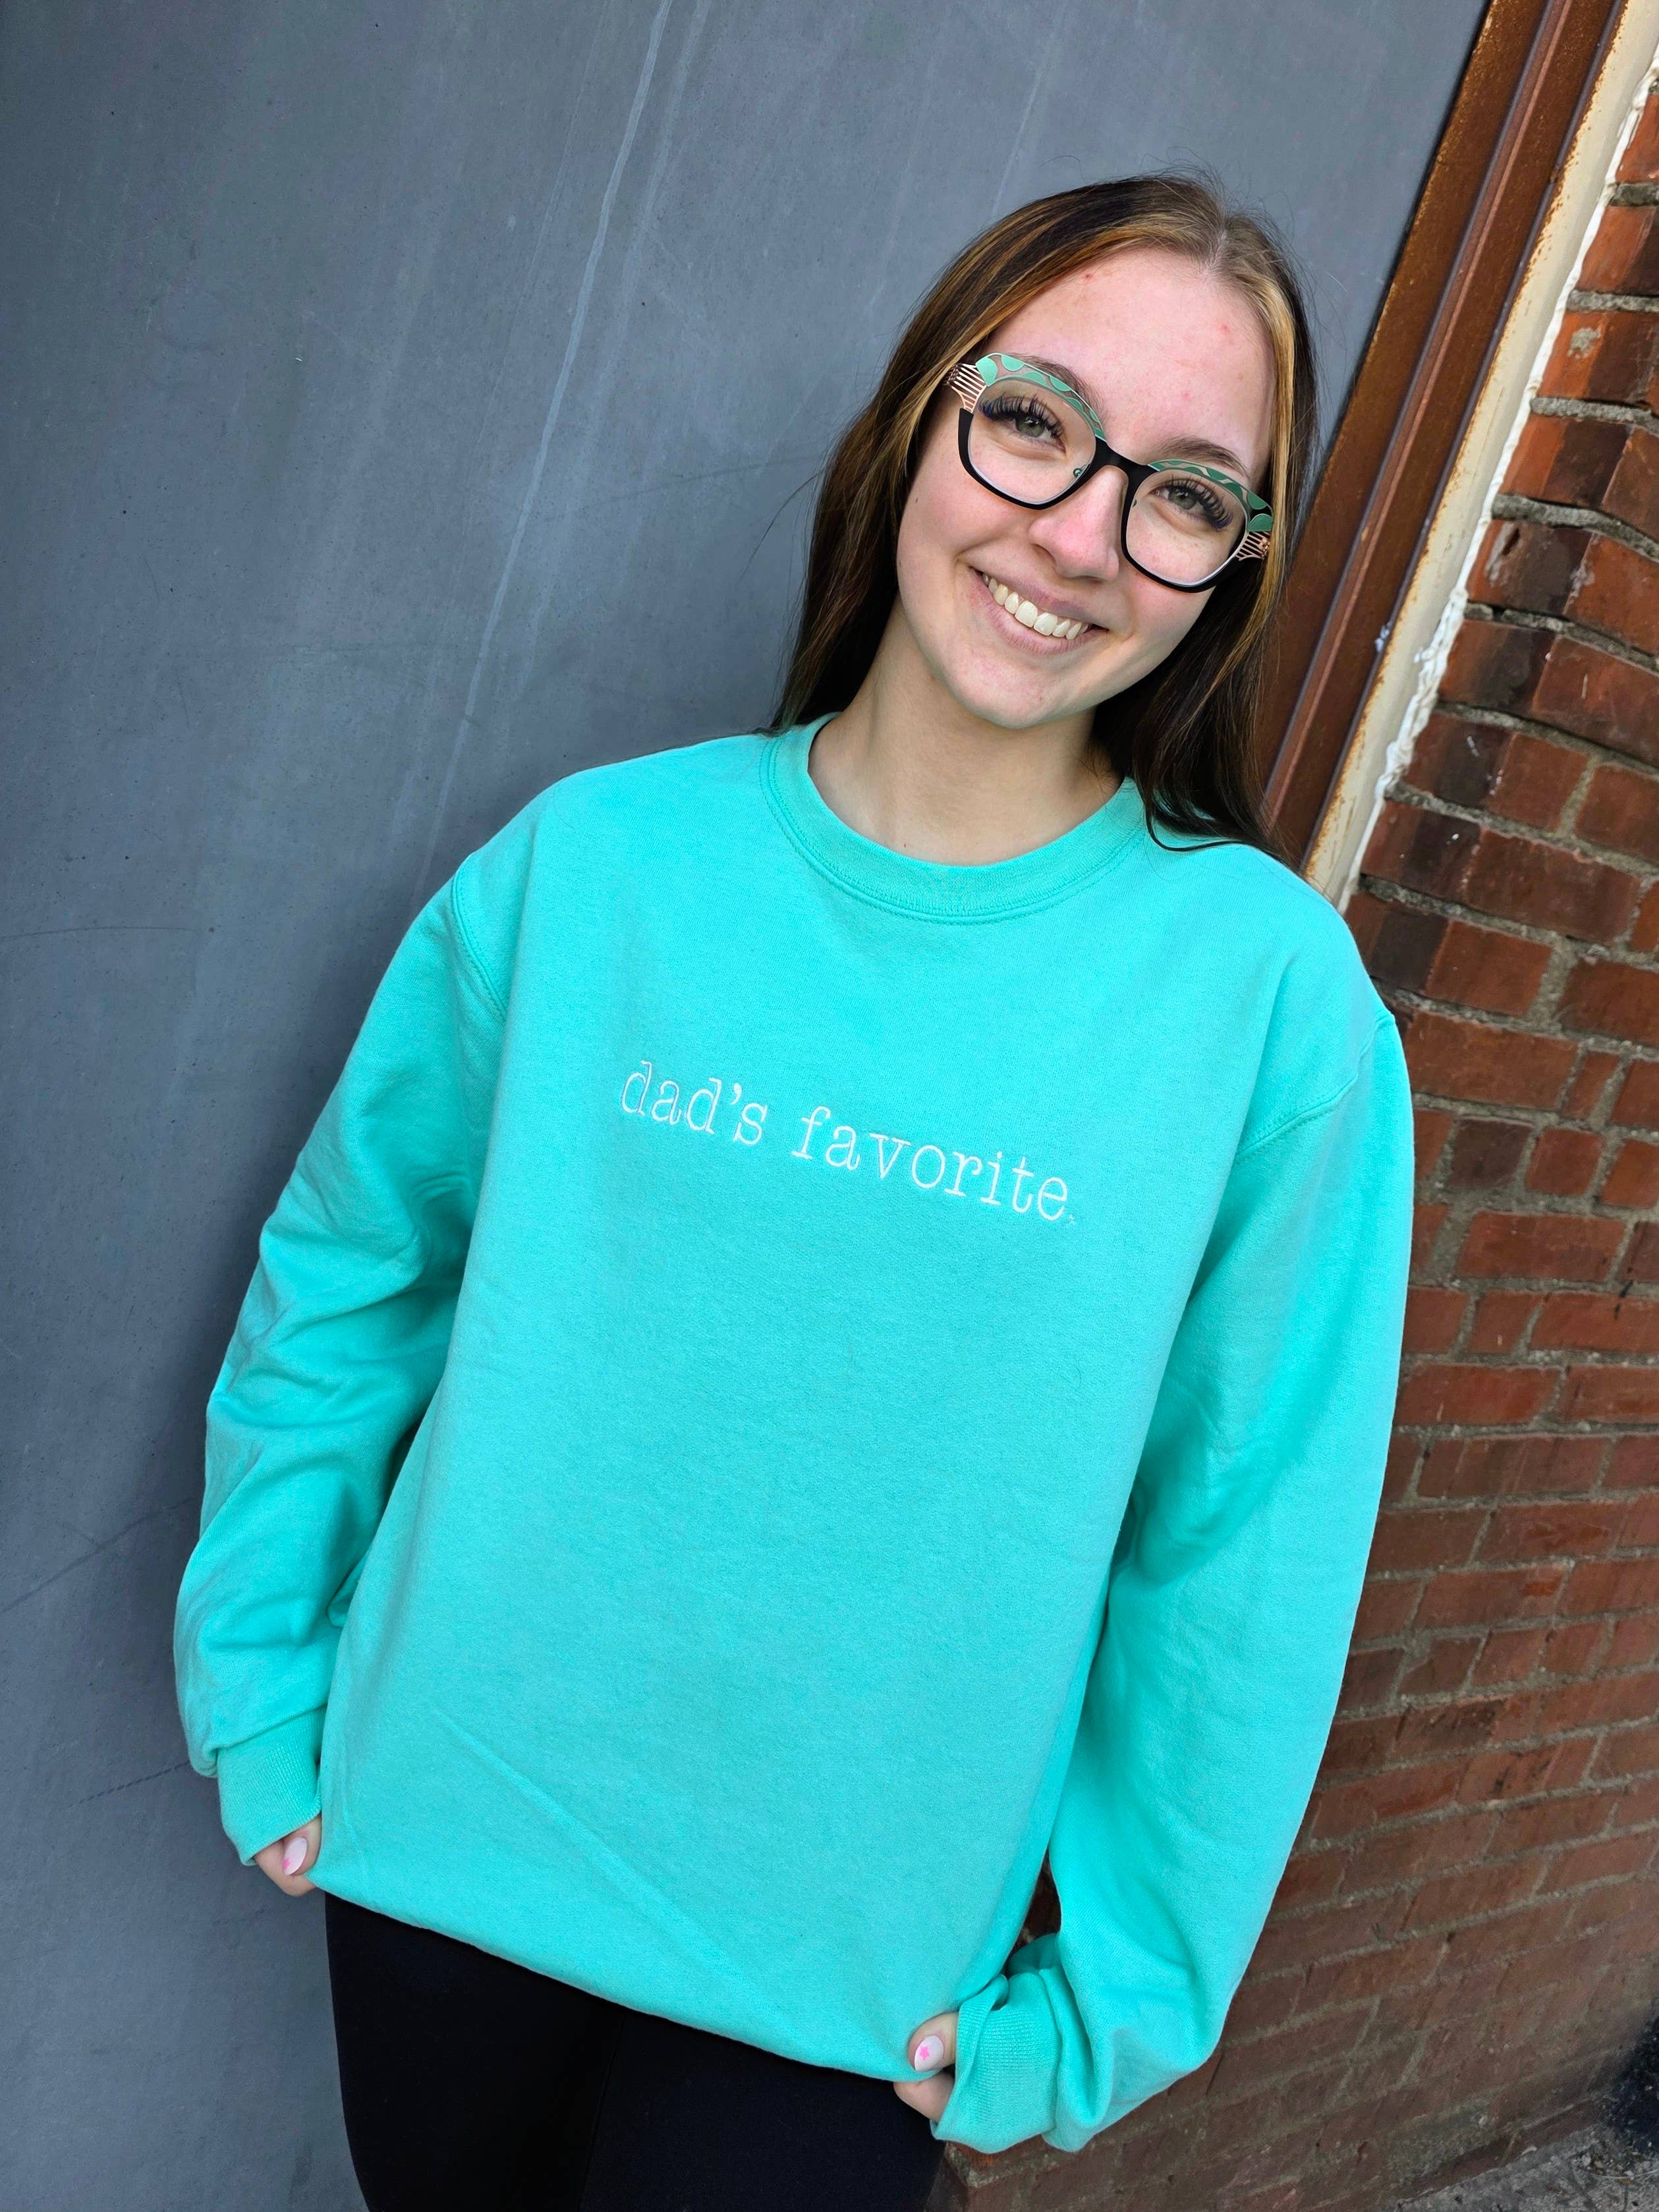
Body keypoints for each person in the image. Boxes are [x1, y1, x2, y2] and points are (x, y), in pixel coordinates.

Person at [173, 171, 1415, 2211]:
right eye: (1035, 421)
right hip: (443, 1868)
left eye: (1188, 493)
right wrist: (263, 1688)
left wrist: (1110, 2005)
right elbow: (356, 1271)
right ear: (925, 415)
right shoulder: (597, 864)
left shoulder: (1269, 1007)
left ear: (1236, 565)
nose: (1080, 534)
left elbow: (1243, 1551)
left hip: (848, 2001)